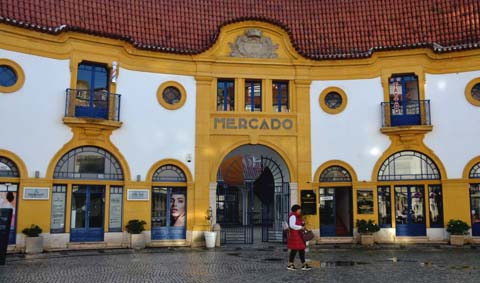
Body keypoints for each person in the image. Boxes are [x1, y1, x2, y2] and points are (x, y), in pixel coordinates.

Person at [287, 204, 311, 271]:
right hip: (295, 235)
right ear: (296, 210)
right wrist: (301, 227)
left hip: (298, 235)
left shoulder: (297, 216)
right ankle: (290, 264)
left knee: (301, 249)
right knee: (294, 250)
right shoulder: (293, 216)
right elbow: (292, 225)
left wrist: (302, 223)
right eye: (299, 209)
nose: (300, 211)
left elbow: (297, 223)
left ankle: (304, 264)